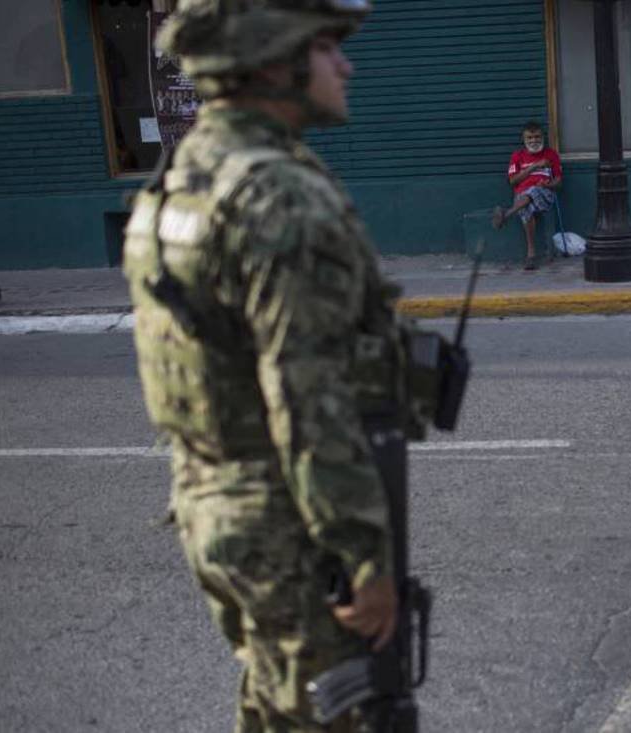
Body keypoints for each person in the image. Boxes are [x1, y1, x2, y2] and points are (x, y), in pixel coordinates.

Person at [123, 1, 409, 729]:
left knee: (275, 704)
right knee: (338, 712)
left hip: (212, 509)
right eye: (325, 48)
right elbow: (307, 398)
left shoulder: (180, 181)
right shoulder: (279, 195)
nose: (345, 65)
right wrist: (365, 559)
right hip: (289, 527)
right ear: (274, 60)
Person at [492, 121, 562, 270]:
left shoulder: (551, 155)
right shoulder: (517, 156)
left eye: (537, 137)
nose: (534, 140)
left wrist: (548, 185)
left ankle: (507, 213)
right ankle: (531, 255)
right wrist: (534, 166)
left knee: (534, 190)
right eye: (529, 138)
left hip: (545, 194)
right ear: (524, 139)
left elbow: (558, 181)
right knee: (526, 207)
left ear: (543, 137)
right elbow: (512, 181)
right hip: (521, 195)